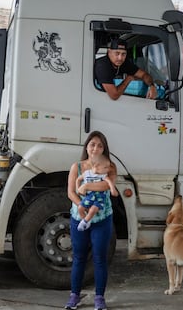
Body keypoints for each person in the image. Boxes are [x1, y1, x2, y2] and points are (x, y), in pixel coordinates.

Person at [65, 131, 117, 310]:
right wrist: (82, 205)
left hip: (102, 219)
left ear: (104, 149)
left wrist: (86, 186)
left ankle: (99, 298)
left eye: (100, 145)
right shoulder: (77, 167)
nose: (96, 148)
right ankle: (74, 295)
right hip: (78, 217)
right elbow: (71, 192)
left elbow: (106, 186)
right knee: (79, 257)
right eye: (92, 144)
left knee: (100, 258)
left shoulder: (110, 167)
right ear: (86, 146)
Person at [76, 154, 118, 232]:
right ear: (96, 166)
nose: (108, 169)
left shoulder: (103, 175)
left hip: (99, 197)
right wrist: (78, 189)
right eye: (105, 167)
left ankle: (84, 222)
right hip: (89, 196)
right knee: (80, 208)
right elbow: (78, 179)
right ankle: (86, 220)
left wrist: (113, 189)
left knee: (93, 209)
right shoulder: (87, 173)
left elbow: (109, 182)